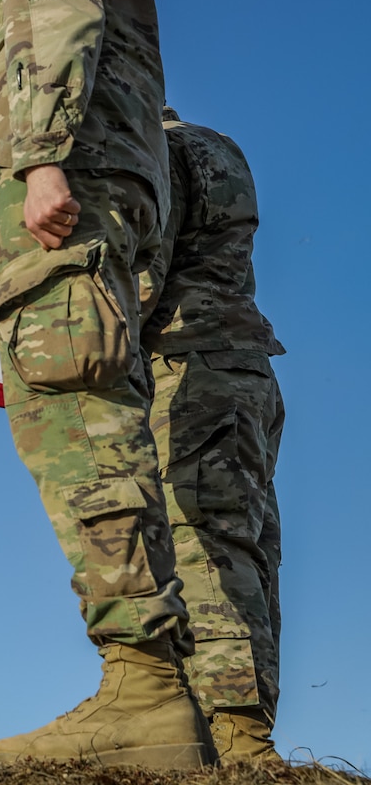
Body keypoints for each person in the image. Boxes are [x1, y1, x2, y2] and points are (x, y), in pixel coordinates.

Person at [0, 0, 213, 767]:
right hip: (110, 183)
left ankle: (144, 692)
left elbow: (53, 20)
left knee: (78, 417)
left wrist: (40, 158)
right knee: (96, 407)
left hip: (64, 182)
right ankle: (159, 686)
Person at [141, 107, 286, 762]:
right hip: (242, 368)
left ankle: (234, 734)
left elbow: (145, 277)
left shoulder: (157, 154)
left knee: (200, 545)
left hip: (190, 366)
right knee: (244, 548)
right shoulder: (218, 146)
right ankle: (239, 727)